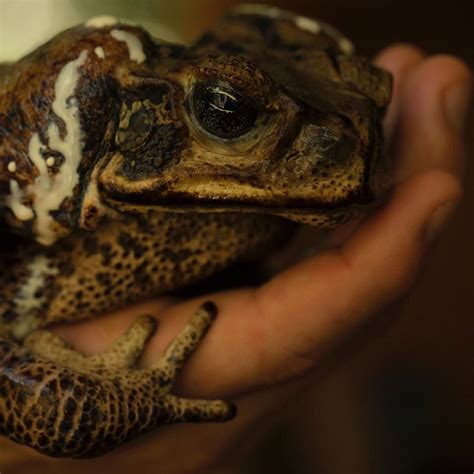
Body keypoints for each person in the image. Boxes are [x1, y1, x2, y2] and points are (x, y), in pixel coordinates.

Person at [1, 44, 471, 473]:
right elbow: (51, 410)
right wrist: (111, 407)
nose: (353, 136)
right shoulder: (48, 166)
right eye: (224, 111)